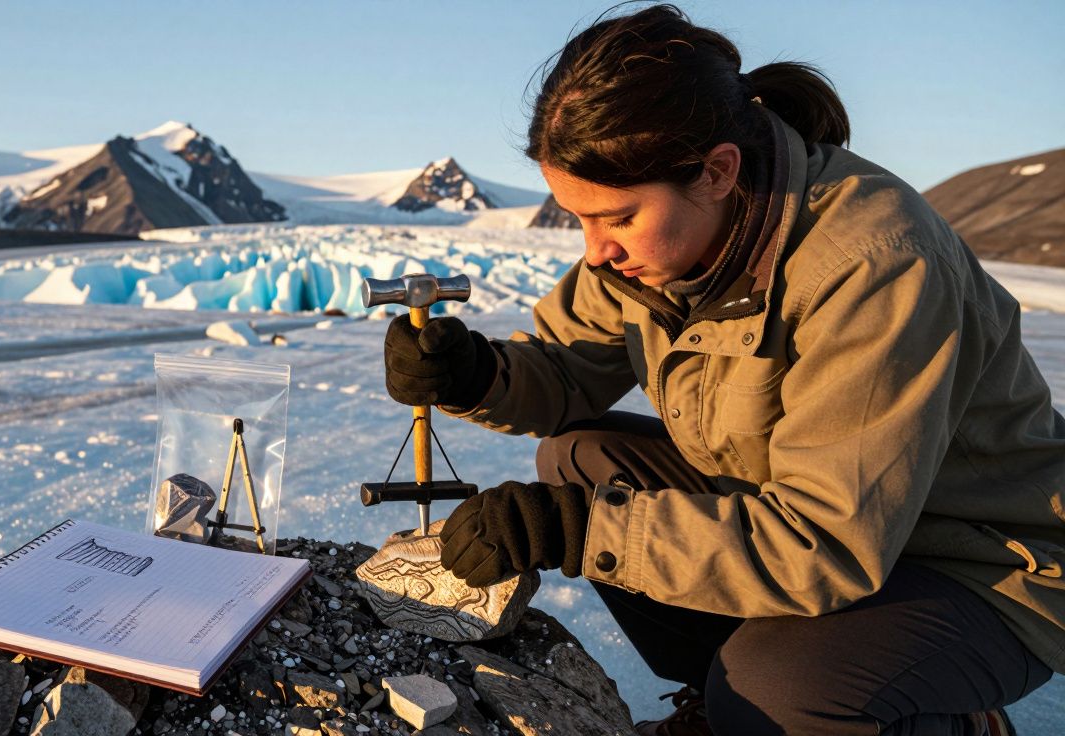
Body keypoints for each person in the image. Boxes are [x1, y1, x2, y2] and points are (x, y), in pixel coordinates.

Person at [380, 5, 1064, 735]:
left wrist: (575, 530)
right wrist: (474, 373)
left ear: (716, 172)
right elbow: (563, 370)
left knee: (776, 690)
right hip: (809, 517)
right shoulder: (659, 247)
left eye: (615, 217)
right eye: (578, 218)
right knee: (579, 459)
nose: (596, 250)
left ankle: (933, 721)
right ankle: (722, 699)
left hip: (980, 562)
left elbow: (824, 543)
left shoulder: (872, 264)